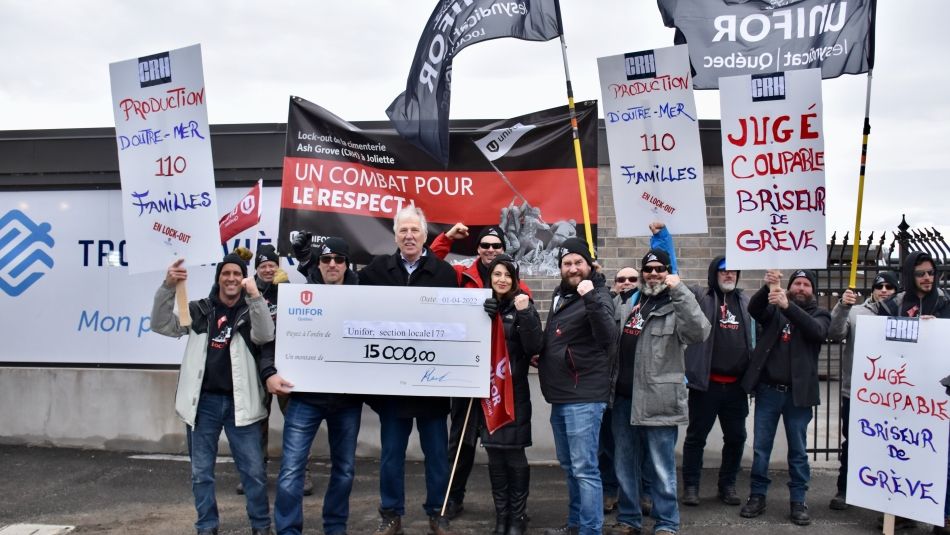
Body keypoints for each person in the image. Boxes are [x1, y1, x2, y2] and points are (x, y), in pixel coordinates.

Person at [151, 253, 275, 535]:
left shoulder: (251, 310)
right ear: (218, 277)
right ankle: (206, 526)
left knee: (254, 474)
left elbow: (266, 335)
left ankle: (261, 526)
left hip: (241, 405)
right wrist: (168, 287)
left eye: (237, 274)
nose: (231, 278)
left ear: (243, 279)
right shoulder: (199, 310)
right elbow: (161, 325)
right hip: (203, 404)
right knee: (201, 474)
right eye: (226, 273)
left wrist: (254, 295)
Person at [356, 207, 460, 535]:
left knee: (437, 456)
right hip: (393, 388)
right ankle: (391, 514)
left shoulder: (444, 273)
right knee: (391, 456)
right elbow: (349, 303)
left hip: (431, 386)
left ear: (425, 235)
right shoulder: (375, 271)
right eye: (403, 231)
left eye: (415, 230)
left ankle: (437, 513)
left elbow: (457, 324)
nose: (409, 236)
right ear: (395, 235)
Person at [428, 222, 533, 519]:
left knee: (504, 447)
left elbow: (527, 331)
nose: (490, 250)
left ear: (503, 250)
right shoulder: (463, 274)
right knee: (461, 442)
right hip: (466, 374)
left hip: (500, 379)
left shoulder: (518, 286)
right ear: (478, 249)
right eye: (485, 245)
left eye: (495, 246)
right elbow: (430, 265)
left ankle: (513, 510)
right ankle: (453, 498)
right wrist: (446, 238)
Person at [606, 248, 710, 535]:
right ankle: (629, 520)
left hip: (659, 401)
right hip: (624, 400)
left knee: (661, 469)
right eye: (648, 269)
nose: (653, 274)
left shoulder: (677, 305)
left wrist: (681, 291)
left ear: (668, 272)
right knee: (624, 465)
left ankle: (667, 524)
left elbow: (699, 331)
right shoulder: (630, 304)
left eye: (659, 269)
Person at [266, 237, 364, 535]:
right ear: (318, 264)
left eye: (338, 259)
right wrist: (269, 372)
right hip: (305, 398)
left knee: (345, 471)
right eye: (326, 259)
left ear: (347, 265)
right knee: (291, 471)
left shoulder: (366, 298)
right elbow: (273, 340)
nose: (332, 264)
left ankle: (335, 528)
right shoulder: (296, 296)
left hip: (346, 401)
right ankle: (288, 530)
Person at [739, 269, 830, 526]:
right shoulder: (774, 309)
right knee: (761, 449)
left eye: (805, 285)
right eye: (796, 284)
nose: (800, 288)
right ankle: (757, 496)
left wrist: (788, 305)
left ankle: (798, 500)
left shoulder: (819, 314)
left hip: (798, 397)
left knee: (798, 451)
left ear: (813, 290)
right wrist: (768, 286)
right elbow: (755, 309)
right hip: (769, 392)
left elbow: (817, 331)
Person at [539, 237, 617, 535]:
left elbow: (608, 336)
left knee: (585, 470)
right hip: (561, 395)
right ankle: (575, 525)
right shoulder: (562, 296)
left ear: (589, 265)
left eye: (577, 262)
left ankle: (590, 530)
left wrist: (592, 297)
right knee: (571, 468)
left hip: (584, 396)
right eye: (567, 263)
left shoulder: (597, 294)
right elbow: (562, 338)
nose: (572, 268)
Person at [869, 251, 950, 533]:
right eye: (920, 273)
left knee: (940, 457)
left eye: (931, 272)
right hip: (902, 395)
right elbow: (880, 341)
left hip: (939, 395)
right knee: (903, 453)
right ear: (909, 276)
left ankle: (943, 515)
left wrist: (935, 328)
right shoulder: (894, 305)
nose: (927, 278)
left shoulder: (945, 302)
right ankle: (901, 513)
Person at [237, 245, 316, 497]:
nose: (268, 269)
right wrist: (238, 272)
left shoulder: (287, 288)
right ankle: (254, 470)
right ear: (256, 269)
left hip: (283, 364)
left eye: (272, 264)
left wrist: (289, 288)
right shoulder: (246, 290)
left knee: (295, 420)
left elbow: (309, 307)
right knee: (256, 420)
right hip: (253, 362)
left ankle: (301, 471)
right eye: (263, 265)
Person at [681, 255, 755, 508]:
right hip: (706, 385)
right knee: (696, 438)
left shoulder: (746, 302)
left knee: (736, 437)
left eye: (734, 271)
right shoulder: (702, 297)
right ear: (714, 274)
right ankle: (691, 486)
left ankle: (728, 485)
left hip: (736, 387)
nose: (729, 275)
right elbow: (677, 283)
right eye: (723, 271)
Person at [478, 254, 543, 535]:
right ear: (489, 278)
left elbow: (534, 347)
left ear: (515, 280)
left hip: (514, 394)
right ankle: (501, 516)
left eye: (507, 275)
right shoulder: (480, 306)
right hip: (488, 393)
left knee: (515, 457)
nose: (501, 280)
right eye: (496, 274)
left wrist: (526, 313)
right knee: (494, 458)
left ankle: (517, 518)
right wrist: (481, 314)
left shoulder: (523, 306)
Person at [826, 271, 897, 512]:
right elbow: (835, 333)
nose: (884, 290)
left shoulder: (905, 314)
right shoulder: (857, 313)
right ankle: (844, 490)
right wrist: (843, 307)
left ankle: (883, 494)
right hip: (856, 394)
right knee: (853, 444)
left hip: (891, 398)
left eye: (890, 287)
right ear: (873, 290)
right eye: (880, 286)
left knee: (887, 446)